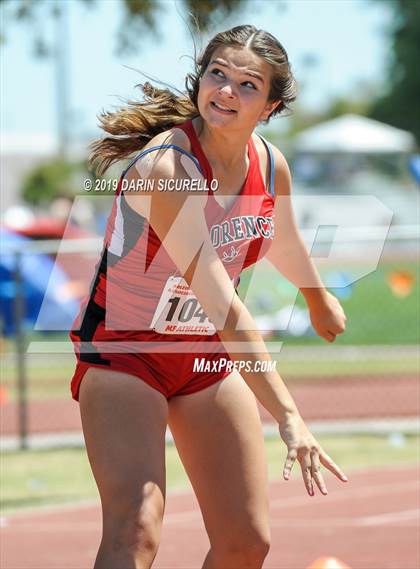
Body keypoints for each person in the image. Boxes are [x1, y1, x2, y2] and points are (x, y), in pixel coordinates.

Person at [70, 24, 348, 569]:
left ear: (270, 105)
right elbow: (224, 307)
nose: (226, 90)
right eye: (218, 74)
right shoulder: (167, 169)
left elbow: (281, 238)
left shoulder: (269, 164)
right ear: (200, 80)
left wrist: (317, 297)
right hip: (128, 353)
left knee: (247, 542)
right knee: (136, 529)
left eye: (248, 84)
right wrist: (290, 418)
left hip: (203, 356)